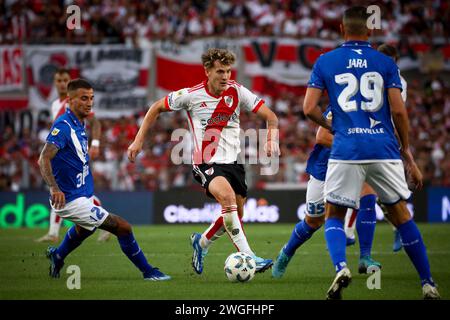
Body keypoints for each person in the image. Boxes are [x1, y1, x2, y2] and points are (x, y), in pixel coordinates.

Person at [303, 6, 439, 299]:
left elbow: (308, 108)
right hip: (383, 147)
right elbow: (400, 113)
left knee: (334, 215)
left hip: (346, 148)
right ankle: (428, 283)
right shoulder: (385, 62)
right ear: (370, 31)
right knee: (401, 216)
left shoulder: (325, 61)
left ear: (341, 29)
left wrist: (333, 126)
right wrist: (408, 155)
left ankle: (341, 266)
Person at [128, 48, 279, 275]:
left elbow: (271, 117)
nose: (225, 76)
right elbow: (156, 107)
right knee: (227, 200)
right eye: (220, 71)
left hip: (234, 164)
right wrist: (138, 141)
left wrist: (271, 139)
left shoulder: (237, 91)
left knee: (236, 214)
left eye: (228, 71)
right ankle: (249, 257)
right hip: (205, 163)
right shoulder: (191, 95)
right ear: (207, 71)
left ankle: (201, 243)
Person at [40, 78, 170, 281]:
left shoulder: (79, 123)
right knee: (123, 227)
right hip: (69, 199)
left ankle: (57, 256)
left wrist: (96, 143)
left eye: (91, 98)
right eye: (84, 98)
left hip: (82, 193)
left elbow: (95, 124)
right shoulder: (63, 127)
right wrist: (54, 188)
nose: (89, 102)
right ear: (69, 100)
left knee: (85, 229)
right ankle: (149, 271)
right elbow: (44, 158)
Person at [272, 107, 381, 279]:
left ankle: (365, 257)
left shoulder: (375, 109)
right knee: (312, 222)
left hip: (353, 166)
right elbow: (322, 137)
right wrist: (354, 145)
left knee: (368, 195)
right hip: (325, 170)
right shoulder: (341, 105)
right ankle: (287, 252)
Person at [35, 69, 111, 243]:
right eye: (58, 80)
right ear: (55, 83)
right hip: (61, 150)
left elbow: (95, 122)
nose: (61, 83)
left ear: (69, 83)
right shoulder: (55, 104)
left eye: (65, 80)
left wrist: (95, 144)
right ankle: (54, 233)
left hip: (74, 152)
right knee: (67, 190)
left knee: (70, 190)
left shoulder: (76, 102)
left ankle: (55, 233)